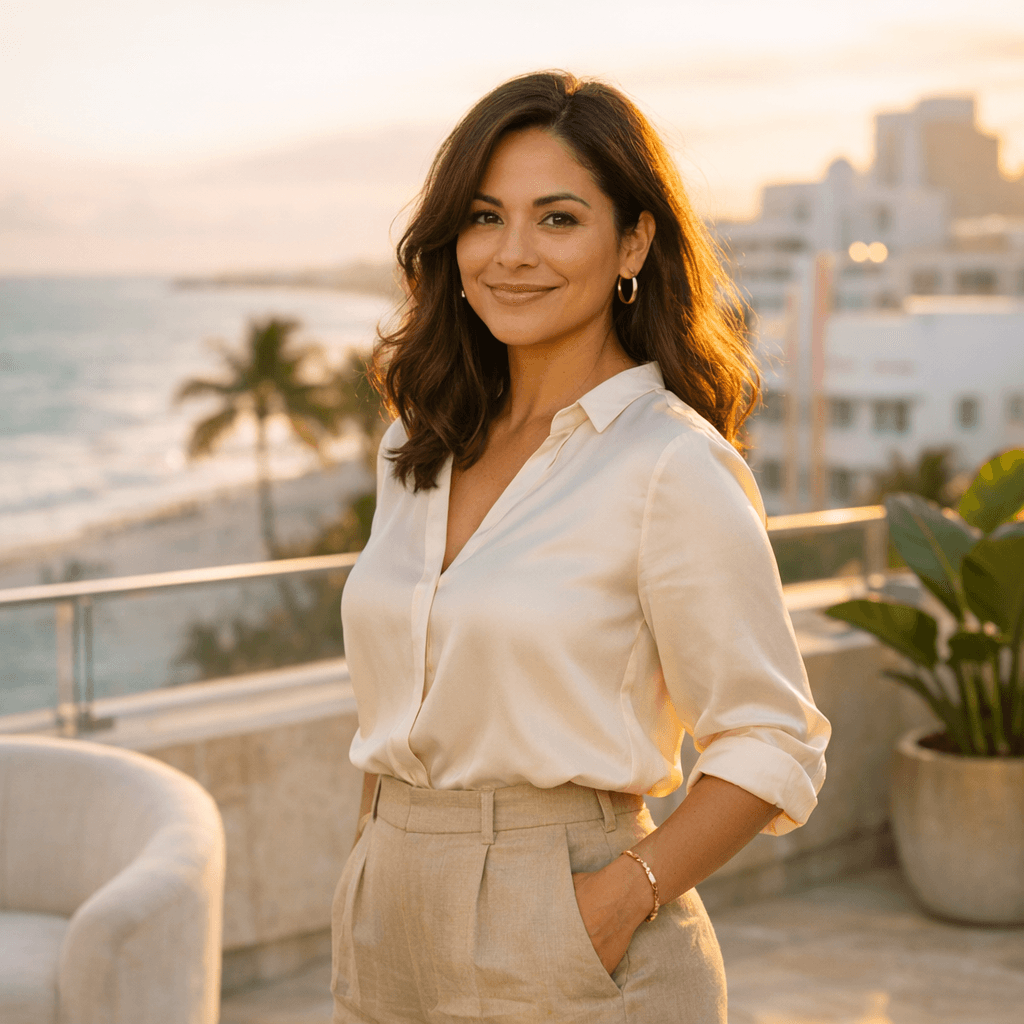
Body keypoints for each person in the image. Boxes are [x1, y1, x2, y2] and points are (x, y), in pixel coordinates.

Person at [334, 71, 830, 1024]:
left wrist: (610, 904)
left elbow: (773, 736)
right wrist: (369, 864)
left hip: (569, 921)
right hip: (387, 922)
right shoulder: (416, 446)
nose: (511, 254)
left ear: (632, 241)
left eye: (557, 219)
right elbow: (402, 691)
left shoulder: (669, 465)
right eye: (484, 217)